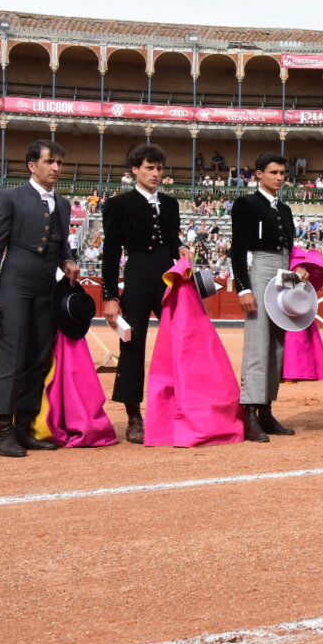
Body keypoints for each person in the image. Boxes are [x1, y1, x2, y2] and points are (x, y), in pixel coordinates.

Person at [0, 140, 81, 457]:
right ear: (32, 165)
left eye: (60, 162)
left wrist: (69, 261)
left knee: (39, 357)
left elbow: (62, 246)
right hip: (16, 281)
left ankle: (24, 429)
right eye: (50, 162)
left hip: (47, 285)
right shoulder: (10, 198)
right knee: (11, 353)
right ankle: (3, 433)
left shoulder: (62, 204)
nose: (56, 168)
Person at [101, 144, 191, 443]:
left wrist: (180, 247)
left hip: (167, 277)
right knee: (132, 344)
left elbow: (172, 236)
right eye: (149, 168)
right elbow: (111, 253)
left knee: (179, 342)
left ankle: (178, 406)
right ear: (135, 170)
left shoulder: (170, 204)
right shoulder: (119, 204)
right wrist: (111, 295)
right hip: (137, 276)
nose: (155, 173)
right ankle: (133, 415)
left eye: (159, 168)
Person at [230, 152, 304, 442]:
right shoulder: (246, 204)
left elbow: (289, 249)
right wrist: (244, 287)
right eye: (273, 172)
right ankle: (249, 412)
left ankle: (266, 411)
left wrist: (295, 277)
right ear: (258, 174)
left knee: (277, 347)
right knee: (258, 344)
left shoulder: (283, 209)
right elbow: (238, 249)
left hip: (282, 272)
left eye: (283, 173)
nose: (280, 178)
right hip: (260, 271)